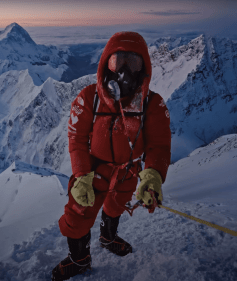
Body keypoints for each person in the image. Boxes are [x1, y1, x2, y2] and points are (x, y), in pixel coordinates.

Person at [51, 31, 171, 280]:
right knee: (78, 214)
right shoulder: (88, 99)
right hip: (94, 170)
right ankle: (80, 259)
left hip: (128, 169)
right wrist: (82, 174)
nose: (125, 70)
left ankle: (108, 237)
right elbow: (76, 139)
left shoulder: (152, 105)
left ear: (144, 68)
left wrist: (152, 176)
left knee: (115, 207)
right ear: (107, 63)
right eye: (119, 61)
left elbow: (159, 145)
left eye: (134, 62)